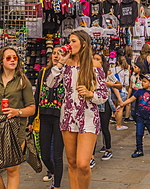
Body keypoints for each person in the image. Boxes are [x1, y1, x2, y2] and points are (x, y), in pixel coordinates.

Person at [46, 30, 108, 189]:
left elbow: (103, 94)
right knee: (72, 162)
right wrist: (60, 63)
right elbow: (50, 84)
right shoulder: (65, 64)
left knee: (83, 164)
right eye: (69, 41)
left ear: (84, 44)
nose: (70, 44)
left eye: (73, 41)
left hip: (88, 116)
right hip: (68, 115)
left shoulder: (94, 65)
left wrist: (90, 94)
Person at [0, 47, 35, 189]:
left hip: (15, 130)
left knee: (12, 169)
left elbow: (32, 108)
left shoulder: (23, 82)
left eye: (15, 57)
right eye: (8, 58)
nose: (12, 60)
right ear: (1, 62)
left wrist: (18, 112)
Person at [28, 46, 65, 189]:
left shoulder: (66, 72)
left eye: (60, 53)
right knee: (44, 154)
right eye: (54, 53)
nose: (56, 56)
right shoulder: (43, 72)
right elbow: (37, 96)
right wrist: (31, 120)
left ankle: (57, 185)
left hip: (59, 117)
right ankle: (55, 173)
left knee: (57, 154)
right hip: (43, 115)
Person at [118, 74, 150, 158]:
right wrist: (122, 104)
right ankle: (139, 150)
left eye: (145, 81)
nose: (142, 83)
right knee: (139, 133)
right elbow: (131, 99)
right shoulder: (139, 92)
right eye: (142, 81)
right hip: (140, 117)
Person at [93, 53, 122, 164]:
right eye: (94, 59)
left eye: (98, 59)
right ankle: (91, 155)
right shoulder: (89, 72)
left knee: (104, 127)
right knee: (93, 129)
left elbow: (119, 85)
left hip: (104, 103)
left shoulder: (107, 73)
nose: (95, 61)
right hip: (92, 104)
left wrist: (110, 84)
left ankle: (108, 149)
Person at [110, 56, 130, 130]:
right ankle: (119, 125)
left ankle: (116, 120)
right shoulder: (125, 71)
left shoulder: (112, 70)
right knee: (120, 108)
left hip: (113, 90)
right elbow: (127, 83)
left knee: (115, 107)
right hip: (123, 90)